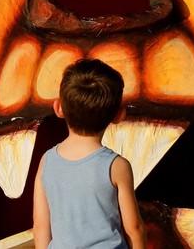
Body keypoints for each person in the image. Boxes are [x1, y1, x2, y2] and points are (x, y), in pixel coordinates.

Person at [33, 59, 146, 248]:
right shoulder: (117, 165)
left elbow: (40, 227)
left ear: (58, 108)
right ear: (119, 115)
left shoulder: (47, 160)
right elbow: (134, 228)